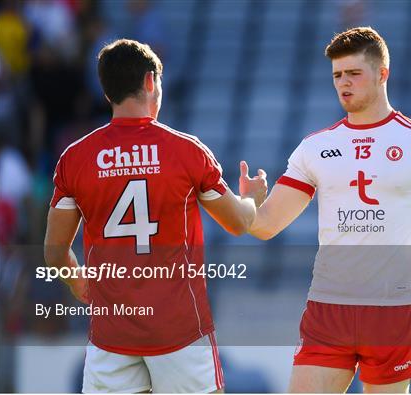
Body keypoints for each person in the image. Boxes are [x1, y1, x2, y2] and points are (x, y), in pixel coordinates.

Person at [243, 27, 411, 393]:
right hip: (327, 308)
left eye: (354, 73)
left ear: (382, 74)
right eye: (337, 75)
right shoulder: (315, 147)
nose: (343, 84)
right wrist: (252, 203)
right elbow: (266, 226)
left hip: (391, 309)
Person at [44, 39, 267, 393]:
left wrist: (76, 280)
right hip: (180, 331)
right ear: (151, 82)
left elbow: (55, 251)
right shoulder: (187, 151)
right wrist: (251, 198)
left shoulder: (75, 158)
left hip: (111, 334)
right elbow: (239, 223)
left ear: (107, 92)